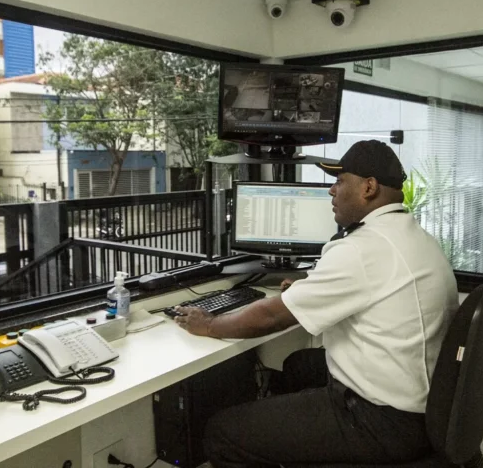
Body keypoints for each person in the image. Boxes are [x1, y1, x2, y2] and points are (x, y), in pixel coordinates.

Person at [173, 140, 459, 468]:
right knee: (299, 366)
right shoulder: (414, 236)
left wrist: (208, 324)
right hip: (422, 406)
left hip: (382, 421)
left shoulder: (361, 247)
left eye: (340, 181)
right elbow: (368, 286)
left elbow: (270, 318)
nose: (331, 191)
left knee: (222, 433)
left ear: (369, 187)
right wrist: (312, 286)